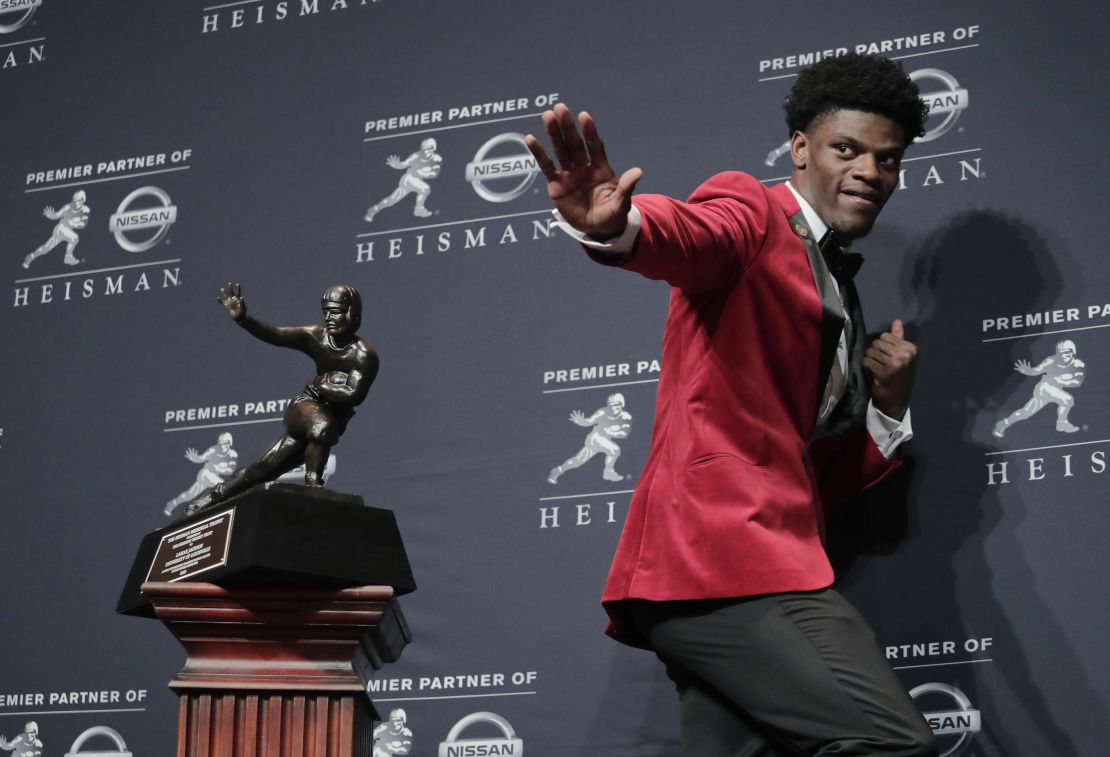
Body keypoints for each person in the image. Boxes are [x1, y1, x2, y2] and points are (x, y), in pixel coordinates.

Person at [526, 53, 936, 756]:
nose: (871, 170)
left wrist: (886, 411)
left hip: (764, 557)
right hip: (717, 560)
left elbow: (806, 474)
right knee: (892, 741)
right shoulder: (752, 209)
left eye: (888, 159)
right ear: (801, 148)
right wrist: (618, 229)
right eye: (848, 148)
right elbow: (688, 235)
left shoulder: (842, 292)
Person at [185, 284, 378, 515]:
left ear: (352, 313)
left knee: (263, 469)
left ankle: (210, 498)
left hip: (329, 416)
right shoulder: (316, 336)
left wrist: (323, 385)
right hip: (305, 407)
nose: (328, 318)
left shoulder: (363, 355)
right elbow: (276, 334)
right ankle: (314, 486)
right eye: (325, 311)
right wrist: (243, 319)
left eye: (335, 312)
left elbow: (354, 396)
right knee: (323, 427)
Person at [993, 339, 1085, 437]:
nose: (1063, 355)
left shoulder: (1078, 365)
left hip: (1056, 389)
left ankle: (1004, 423)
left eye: (1066, 353)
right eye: (1061, 353)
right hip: (1045, 388)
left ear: (1073, 352)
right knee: (1067, 399)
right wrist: (1028, 371)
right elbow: (1036, 371)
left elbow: (1077, 382)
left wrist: (1062, 381)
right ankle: (1061, 423)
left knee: (1026, 412)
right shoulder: (1051, 360)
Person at [548, 392, 632, 483]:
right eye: (611, 405)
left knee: (577, 461)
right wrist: (581, 422)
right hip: (595, 438)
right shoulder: (602, 412)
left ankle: (558, 470)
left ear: (621, 404)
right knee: (615, 450)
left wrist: (611, 432)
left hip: (605, 439)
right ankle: (608, 472)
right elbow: (589, 421)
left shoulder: (626, 417)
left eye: (616, 405)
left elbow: (624, 434)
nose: (613, 408)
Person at [364, 138, 443, 223]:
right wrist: (397, 165)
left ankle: (374, 209)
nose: (426, 151)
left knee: (392, 200)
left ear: (433, 148)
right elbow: (404, 164)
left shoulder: (437, 159)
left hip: (416, 180)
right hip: (408, 178)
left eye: (428, 148)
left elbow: (434, 174)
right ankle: (419, 209)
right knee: (425, 188)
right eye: (424, 148)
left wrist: (422, 173)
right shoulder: (416, 155)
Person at [164, 433, 239, 516]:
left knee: (190, 494)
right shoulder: (213, 450)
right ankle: (197, 506)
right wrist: (195, 458)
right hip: (205, 474)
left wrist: (219, 469)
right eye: (221, 444)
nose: (222, 446)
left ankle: (173, 503)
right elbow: (201, 458)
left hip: (213, 478)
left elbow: (230, 470)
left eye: (225, 443)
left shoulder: (233, 455)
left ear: (229, 443)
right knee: (225, 488)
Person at [23, 190, 90, 268]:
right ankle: (68, 257)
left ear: (83, 200)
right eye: (75, 201)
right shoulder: (68, 206)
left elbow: (83, 224)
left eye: (79, 201)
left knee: (46, 249)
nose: (76, 203)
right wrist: (51, 215)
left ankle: (31, 256)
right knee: (74, 238)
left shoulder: (86, 210)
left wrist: (73, 223)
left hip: (67, 230)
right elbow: (57, 215)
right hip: (60, 228)